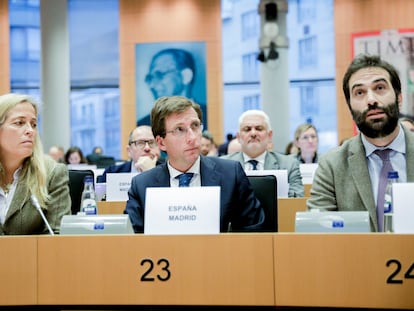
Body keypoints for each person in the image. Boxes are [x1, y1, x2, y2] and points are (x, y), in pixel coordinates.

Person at [125, 96, 265, 233]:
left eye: (195, 126)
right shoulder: (142, 185)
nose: (192, 137)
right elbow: (129, 241)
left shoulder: (230, 174)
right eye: (180, 129)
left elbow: (254, 235)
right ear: (161, 143)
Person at [307, 54, 414, 232]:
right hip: (357, 258)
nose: (371, 100)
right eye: (359, 93)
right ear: (350, 108)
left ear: (399, 98)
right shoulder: (332, 166)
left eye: (380, 87)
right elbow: (318, 235)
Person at [0, 93, 71, 235]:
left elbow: (56, 237)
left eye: (33, 124)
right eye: (19, 123)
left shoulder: (52, 173)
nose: (30, 131)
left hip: (33, 257)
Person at [222, 110, 304, 198]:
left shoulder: (289, 164)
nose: (253, 133)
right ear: (238, 137)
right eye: (247, 129)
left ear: (269, 135)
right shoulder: (223, 165)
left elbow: (296, 201)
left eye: (259, 128)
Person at [137, 48, 207, 127]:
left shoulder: (211, 116)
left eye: (159, 75)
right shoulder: (143, 126)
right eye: (150, 78)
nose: (152, 85)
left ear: (186, 76)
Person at [97, 125, 162, 183]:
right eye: (140, 143)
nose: (147, 148)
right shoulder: (112, 173)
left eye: (152, 143)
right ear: (129, 151)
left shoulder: (169, 172)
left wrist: (150, 173)